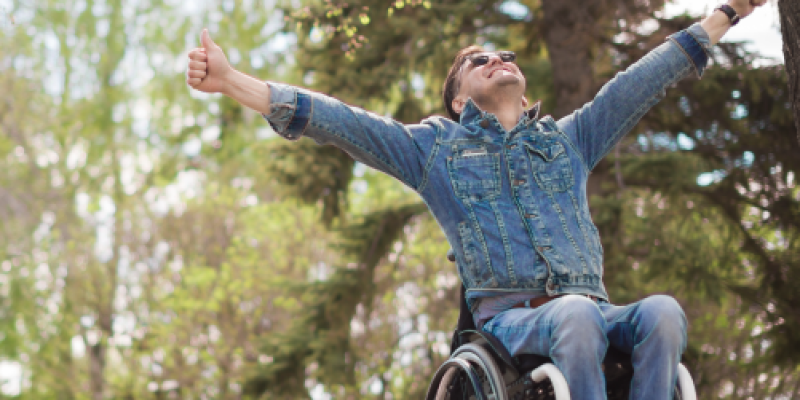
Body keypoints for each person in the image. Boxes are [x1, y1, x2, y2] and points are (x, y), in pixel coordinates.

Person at [186, 2, 765, 399]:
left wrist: (729, 11)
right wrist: (234, 83)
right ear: (460, 101)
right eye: (477, 61)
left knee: (662, 311)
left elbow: (643, 79)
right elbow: (342, 123)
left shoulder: (568, 141)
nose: (497, 59)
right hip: (512, 320)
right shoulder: (436, 149)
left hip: (592, 303)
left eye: (503, 55)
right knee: (577, 315)